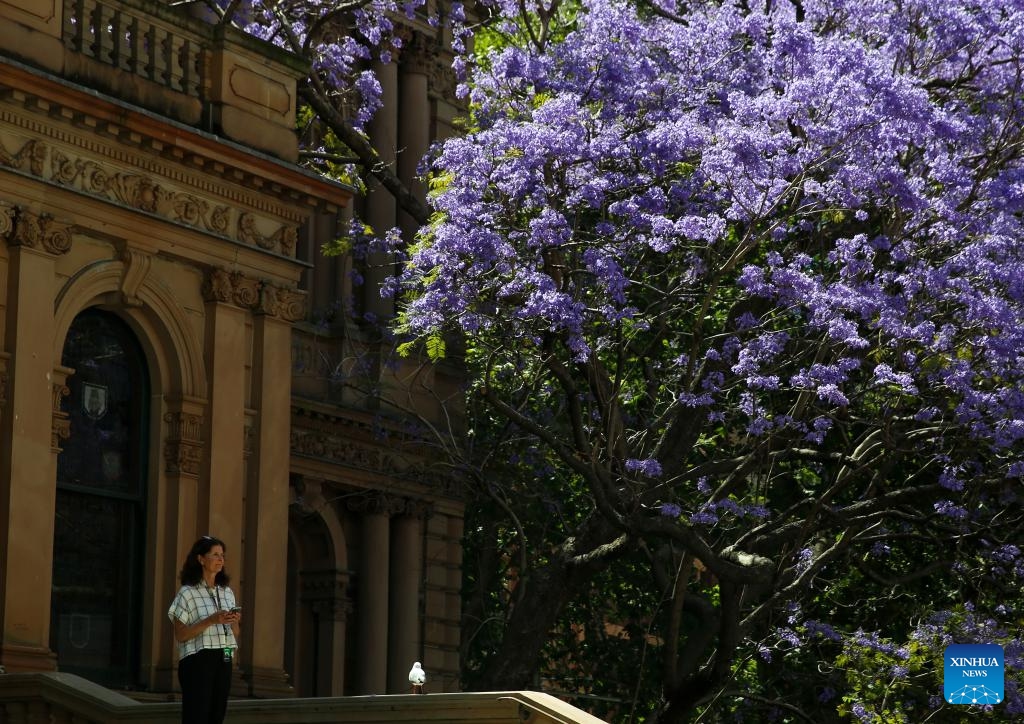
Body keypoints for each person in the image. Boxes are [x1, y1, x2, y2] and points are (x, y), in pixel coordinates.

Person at [168, 536, 242, 724]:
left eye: (222, 555)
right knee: (197, 716)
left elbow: (235, 634)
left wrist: (234, 621)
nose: (221, 559)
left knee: (217, 716)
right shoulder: (188, 592)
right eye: (215, 555)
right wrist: (210, 620)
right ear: (201, 559)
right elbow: (181, 634)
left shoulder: (227, 592)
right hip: (198, 659)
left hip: (225, 656)